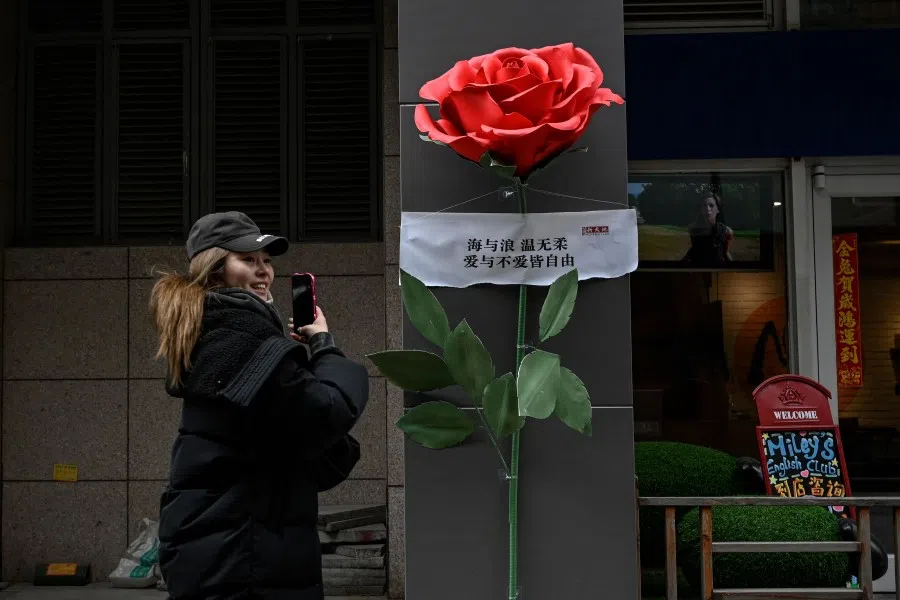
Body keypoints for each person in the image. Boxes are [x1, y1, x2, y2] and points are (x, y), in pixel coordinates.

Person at [149, 211, 369, 600]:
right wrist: (323, 345)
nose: (264, 271)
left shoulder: (218, 333)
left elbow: (295, 440)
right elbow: (328, 412)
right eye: (248, 260)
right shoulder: (238, 338)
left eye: (267, 261)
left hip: (225, 547)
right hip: (240, 554)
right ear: (216, 270)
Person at [682, 193, 734, 267]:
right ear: (701, 210)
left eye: (711, 205)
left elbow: (725, 253)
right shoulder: (693, 230)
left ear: (718, 209)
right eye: (704, 205)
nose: (707, 209)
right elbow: (695, 248)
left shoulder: (727, 232)